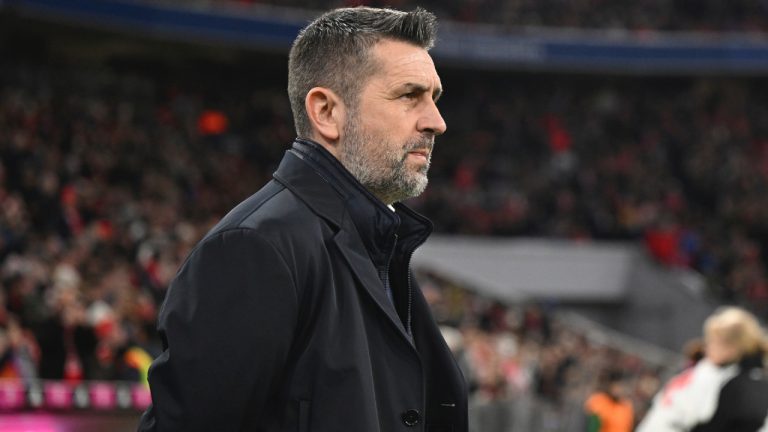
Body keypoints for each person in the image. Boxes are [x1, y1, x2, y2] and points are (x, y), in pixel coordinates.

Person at [137, 6, 468, 432]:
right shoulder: (254, 249)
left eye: (434, 99)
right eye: (409, 96)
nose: (437, 122)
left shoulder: (380, 243)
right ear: (326, 112)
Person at [636, 306, 768, 432]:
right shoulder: (707, 370)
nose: (707, 347)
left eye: (713, 341)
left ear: (731, 348)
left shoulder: (730, 380)